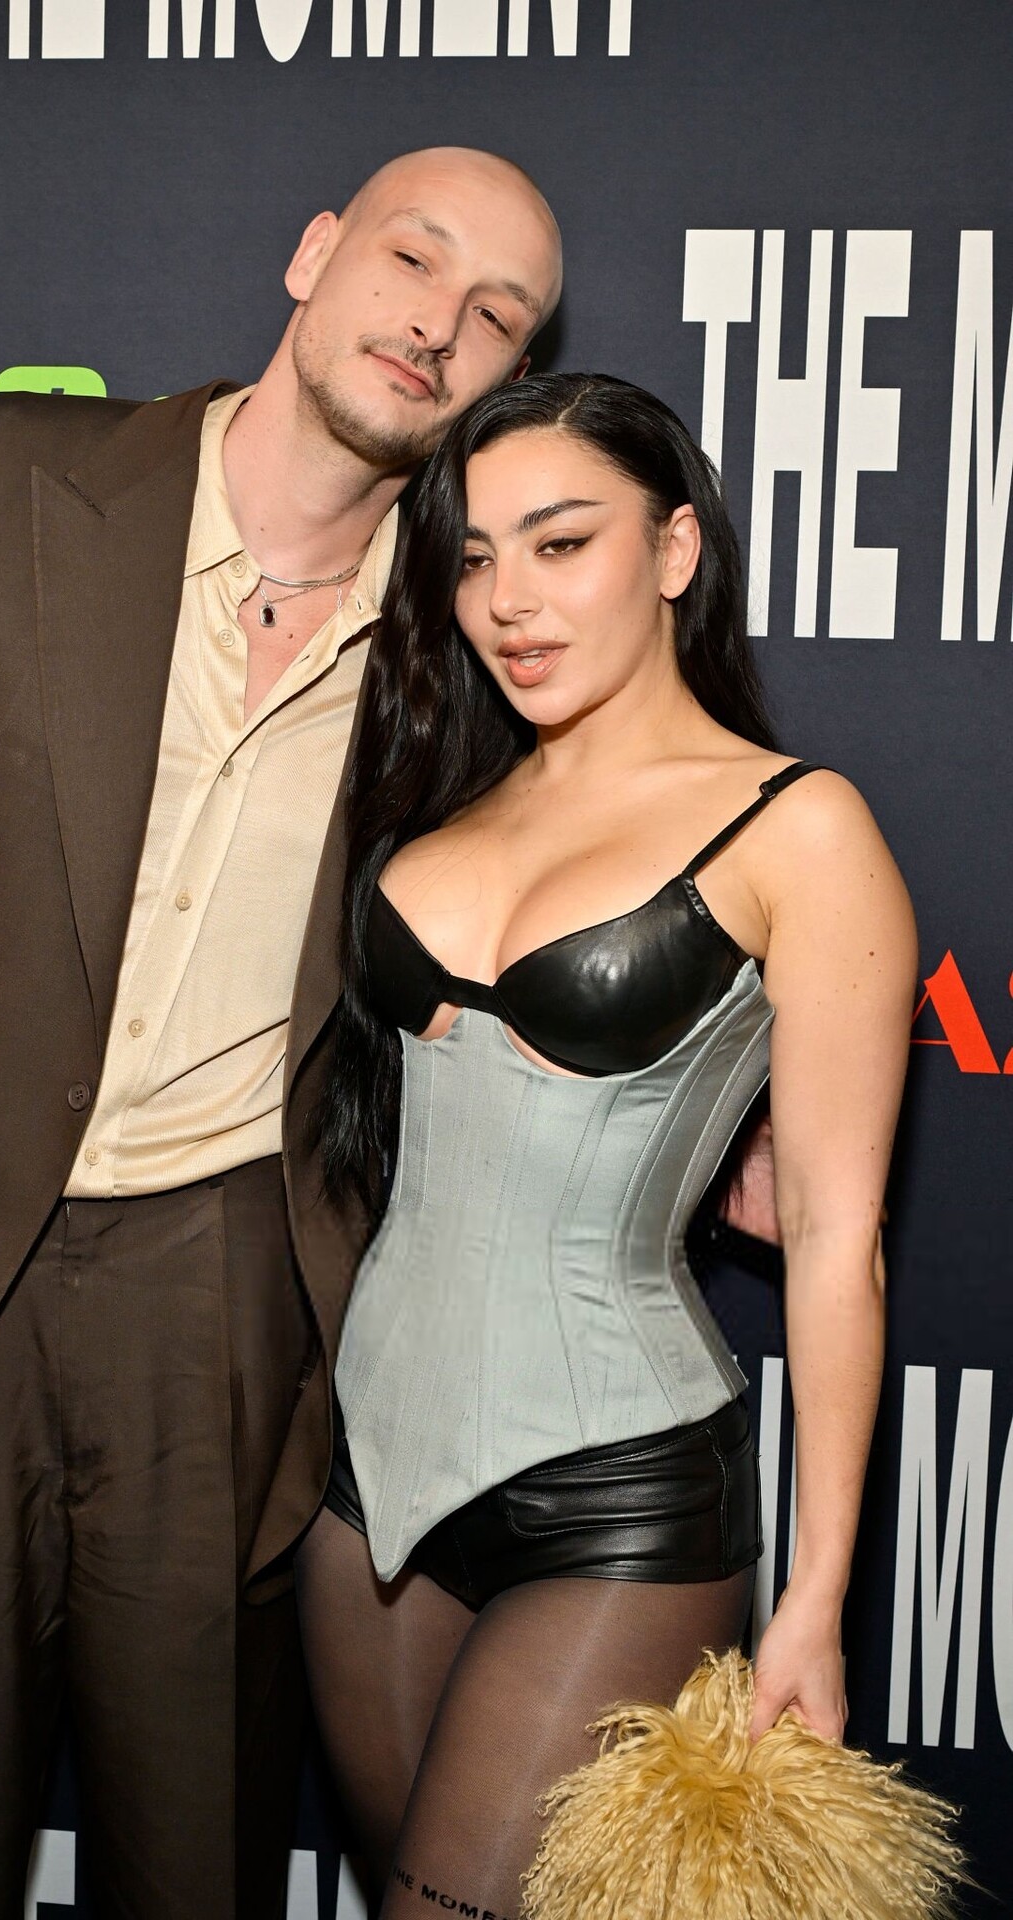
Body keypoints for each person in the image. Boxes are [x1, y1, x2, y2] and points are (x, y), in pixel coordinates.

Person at [0, 149, 564, 1918]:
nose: (440, 320)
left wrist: (755, 1083)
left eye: (498, 314)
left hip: (223, 1305)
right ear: (315, 252)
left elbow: (640, 818)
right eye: (414, 258)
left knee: (195, 1861)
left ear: (510, 374)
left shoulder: (467, 651)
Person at [300, 372, 916, 1920]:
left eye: (562, 543)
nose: (509, 599)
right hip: (367, 1493)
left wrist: (819, 1602)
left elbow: (835, 1237)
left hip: (621, 1499)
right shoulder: (437, 797)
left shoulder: (799, 827)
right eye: (476, 558)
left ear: (675, 550)